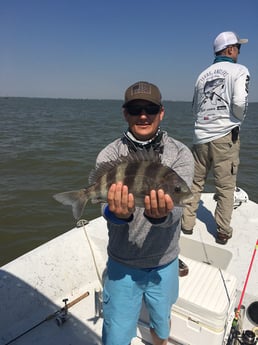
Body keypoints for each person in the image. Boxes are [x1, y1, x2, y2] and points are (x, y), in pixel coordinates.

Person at [96, 81, 194, 345]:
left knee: (162, 325)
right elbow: (104, 207)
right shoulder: (109, 155)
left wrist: (162, 215)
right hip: (122, 263)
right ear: (125, 113)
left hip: (165, 262)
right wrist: (118, 214)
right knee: (116, 335)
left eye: (149, 109)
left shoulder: (180, 154)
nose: (143, 115)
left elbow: (179, 207)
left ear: (161, 112)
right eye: (135, 108)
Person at [181, 31, 250, 245]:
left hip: (200, 137)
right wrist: (236, 119)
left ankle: (187, 225)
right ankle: (222, 232)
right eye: (238, 47)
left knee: (194, 183)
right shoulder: (239, 70)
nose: (239, 51)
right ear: (229, 49)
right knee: (225, 187)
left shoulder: (202, 75)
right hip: (225, 137)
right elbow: (239, 102)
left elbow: (194, 108)